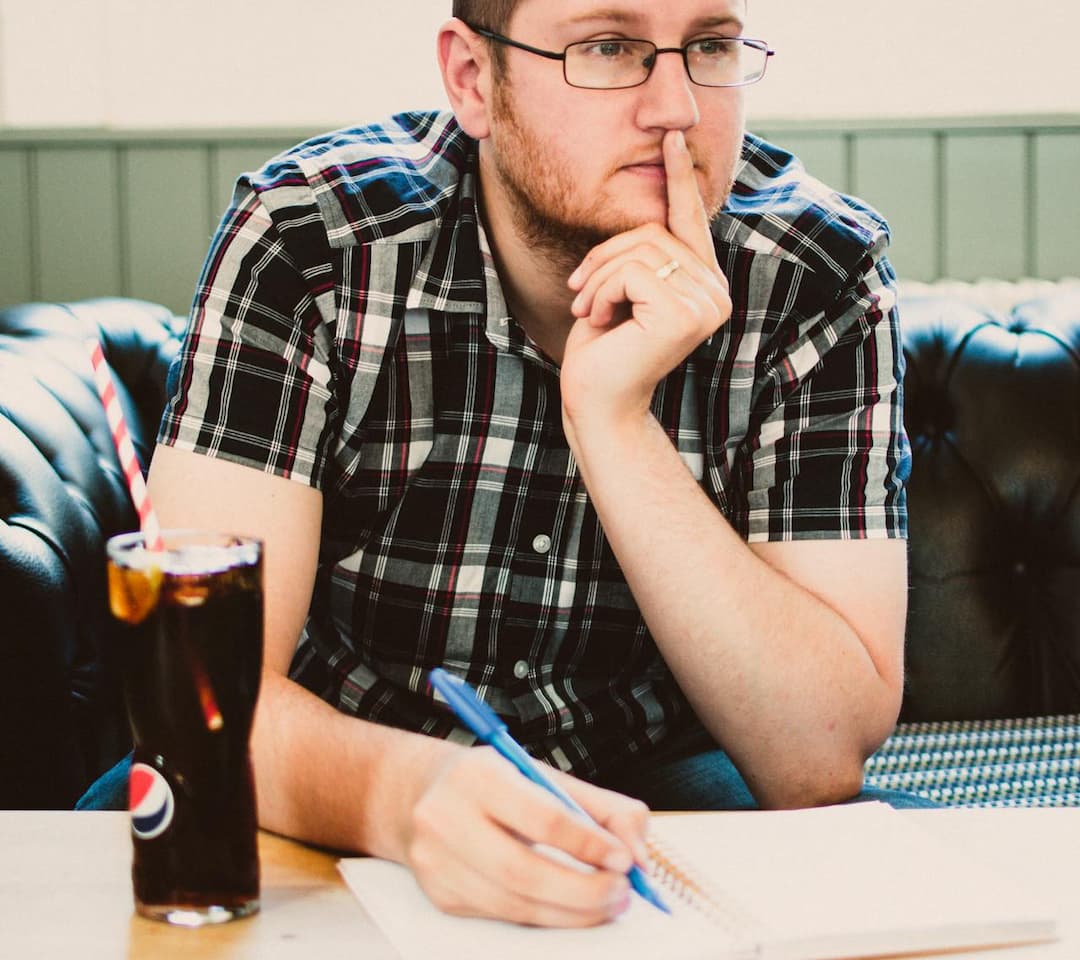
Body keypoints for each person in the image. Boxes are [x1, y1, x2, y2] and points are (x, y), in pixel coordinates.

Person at [83, 0, 928, 929]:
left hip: (658, 789)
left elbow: (816, 758)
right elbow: (197, 691)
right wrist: (400, 797)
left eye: (711, 47)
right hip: (332, 776)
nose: (678, 108)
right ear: (472, 80)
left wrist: (612, 421)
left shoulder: (818, 273)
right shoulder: (310, 240)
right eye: (609, 48)